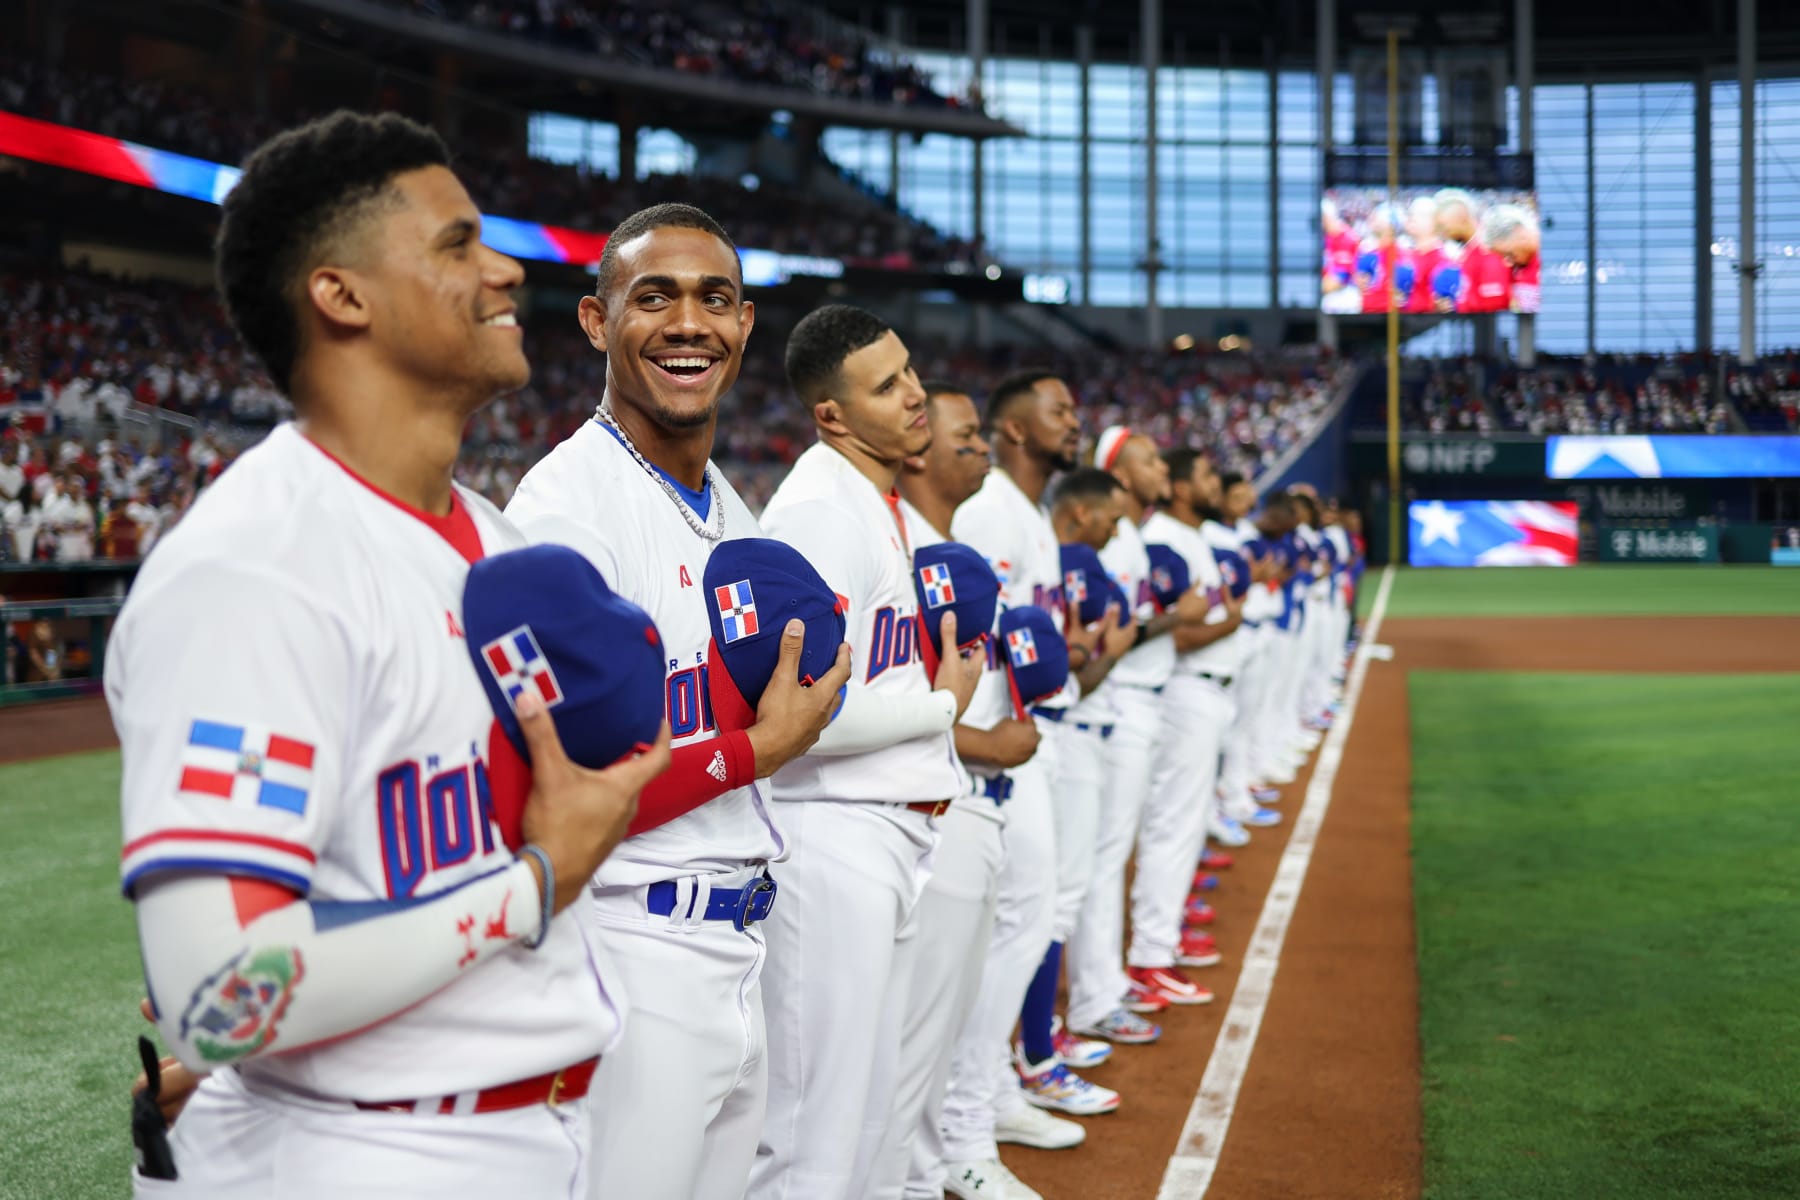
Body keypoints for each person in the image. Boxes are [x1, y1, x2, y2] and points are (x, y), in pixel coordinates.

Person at [108, 111, 669, 1198]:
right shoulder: (256, 569)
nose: (505, 269)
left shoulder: (496, 542)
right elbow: (218, 992)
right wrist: (534, 883)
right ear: (342, 294)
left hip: (528, 1127)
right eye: (457, 243)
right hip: (355, 1152)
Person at [504, 203, 851, 1200]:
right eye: (653, 298)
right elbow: (563, 792)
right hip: (627, 946)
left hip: (736, 940)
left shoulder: (732, 512)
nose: (689, 323)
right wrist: (759, 748)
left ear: (747, 326)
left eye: (715, 300)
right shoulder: (566, 511)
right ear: (596, 321)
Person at [750, 305, 985, 1200]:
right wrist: (939, 705)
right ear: (833, 414)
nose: (916, 394)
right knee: (815, 1126)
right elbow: (809, 713)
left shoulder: (873, 496)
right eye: (887, 386)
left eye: (910, 371)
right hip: (830, 836)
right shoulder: (818, 511)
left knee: (873, 1113)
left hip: (883, 832)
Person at [943, 379, 1133, 1196]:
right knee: (1011, 930)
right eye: (1058, 412)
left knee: (1027, 925)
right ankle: (964, 1125)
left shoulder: (1028, 517)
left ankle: (989, 1097)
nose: (1074, 422)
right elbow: (965, 636)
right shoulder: (988, 506)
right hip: (988, 752)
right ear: (1015, 428)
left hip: (1031, 737)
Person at [884, 380, 1043, 1200]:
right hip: (930, 803)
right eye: (965, 434)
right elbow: (884, 700)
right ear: (915, 451)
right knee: (914, 1029)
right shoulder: (899, 544)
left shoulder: (950, 541)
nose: (980, 447)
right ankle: (927, 1172)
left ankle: (947, 1154)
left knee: (947, 1013)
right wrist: (987, 741)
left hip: (969, 793)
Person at [1065, 429, 1213, 1026]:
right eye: (1148, 459)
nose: (1161, 468)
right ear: (1119, 474)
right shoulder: (1107, 539)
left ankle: (1107, 981)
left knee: (1109, 853)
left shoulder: (1127, 537)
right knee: (1102, 859)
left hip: (1137, 700)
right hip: (1117, 700)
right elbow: (1112, 638)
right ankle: (1097, 995)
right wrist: (1178, 616)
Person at [1131, 449, 1245, 998]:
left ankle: (1161, 937)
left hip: (1205, 692)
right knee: (1172, 825)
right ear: (1178, 488)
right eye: (1202, 476)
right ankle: (1150, 952)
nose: (1213, 484)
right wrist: (1233, 623)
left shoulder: (1191, 534)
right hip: (1185, 687)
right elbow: (1175, 634)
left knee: (1184, 822)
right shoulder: (1167, 541)